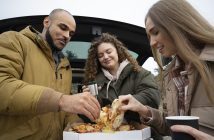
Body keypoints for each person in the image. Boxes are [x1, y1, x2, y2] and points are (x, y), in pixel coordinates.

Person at [118, 0, 214, 139]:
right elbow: (171, 127)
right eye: (149, 36)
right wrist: (143, 110)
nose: (151, 42)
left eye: (155, 32)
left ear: (177, 23)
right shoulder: (171, 74)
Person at [0, 9, 100, 140]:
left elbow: (65, 110)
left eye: (71, 33)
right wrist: (61, 100)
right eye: (63, 27)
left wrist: (77, 124)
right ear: (47, 22)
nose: (66, 36)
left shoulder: (65, 65)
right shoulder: (14, 40)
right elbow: (3, 87)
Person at [82, 33, 161, 139]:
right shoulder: (93, 83)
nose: (105, 57)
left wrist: (124, 104)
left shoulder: (139, 72)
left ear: (117, 51)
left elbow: (152, 97)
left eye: (109, 52)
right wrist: (87, 101)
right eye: (100, 55)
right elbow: (88, 120)